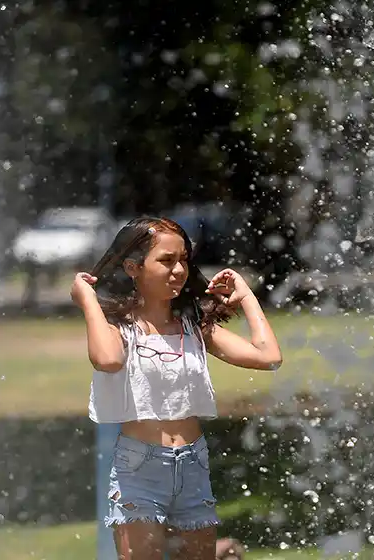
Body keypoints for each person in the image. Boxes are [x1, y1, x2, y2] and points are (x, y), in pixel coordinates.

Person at [71, 216, 282, 560]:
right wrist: (88, 301)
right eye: (166, 260)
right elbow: (107, 360)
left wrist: (245, 296)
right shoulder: (120, 329)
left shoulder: (194, 327)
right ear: (132, 267)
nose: (179, 270)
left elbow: (268, 356)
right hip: (139, 468)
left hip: (192, 463)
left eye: (183, 259)